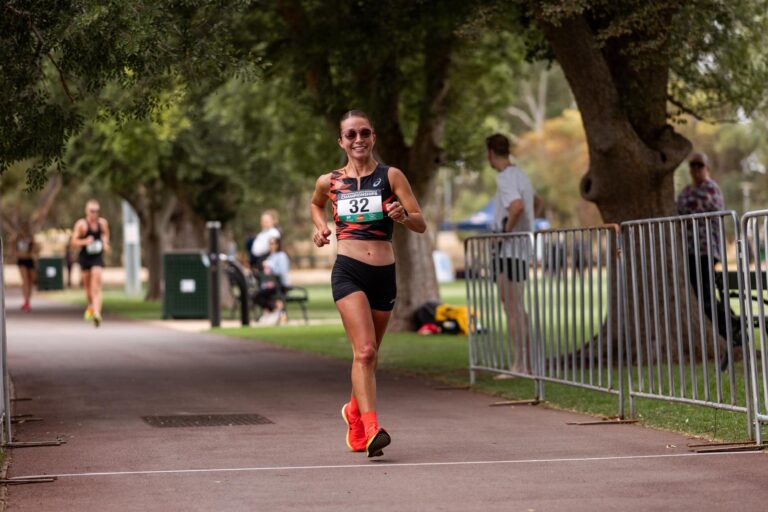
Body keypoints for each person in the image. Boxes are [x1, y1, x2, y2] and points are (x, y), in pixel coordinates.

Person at [310, 110, 426, 457]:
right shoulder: (328, 181)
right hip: (348, 270)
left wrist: (403, 217)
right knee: (364, 351)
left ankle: (353, 412)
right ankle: (373, 427)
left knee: (369, 356)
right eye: (351, 135)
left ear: (373, 137)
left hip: (383, 274)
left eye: (364, 133)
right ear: (341, 141)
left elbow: (420, 223)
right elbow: (315, 205)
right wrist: (320, 228)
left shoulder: (391, 176)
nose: (358, 139)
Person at [676, 152, 742, 370]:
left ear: (707, 167)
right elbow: (678, 208)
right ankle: (731, 324)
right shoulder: (687, 191)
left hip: (706, 250)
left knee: (705, 295)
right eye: (692, 165)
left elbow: (704, 207)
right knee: (700, 295)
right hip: (689, 250)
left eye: (699, 165)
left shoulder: (711, 188)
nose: (695, 169)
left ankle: (731, 326)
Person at [486, 133, 535, 374]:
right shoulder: (521, 175)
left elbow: (517, 206)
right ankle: (525, 361)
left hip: (510, 250)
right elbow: (538, 202)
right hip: (521, 248)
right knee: (516, 306)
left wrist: (504, 232)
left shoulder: (505, 177)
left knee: (512, 307)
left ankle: (520, 364)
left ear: (490, 154)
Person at [71, 199, 110, 327]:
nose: (94, 214)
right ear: (86, 211)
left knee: (96, 286)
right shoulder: (81, 225)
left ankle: (97, 314)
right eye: (92, 211)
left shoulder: (102, 223)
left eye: (97, 211)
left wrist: (105, 244)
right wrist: (85, 241)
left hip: (97, 258)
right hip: (85, 258)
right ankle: (91, 306)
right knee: (88, 289)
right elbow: (74, 242)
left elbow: (105, 236)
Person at [252, 237, 291, 325]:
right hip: (268, 285)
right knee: (256, 296)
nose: (272, 246)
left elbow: (282, 272)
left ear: (278, 244)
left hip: (279, 285)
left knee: (259, 296)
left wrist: (270, 265)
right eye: (270, 243)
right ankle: (274, 310)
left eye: (274, 243)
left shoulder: (281, 256)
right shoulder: (269, 256)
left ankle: (276, 310)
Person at [14, 222, 38, 312]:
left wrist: (33, 244)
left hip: (30, 260)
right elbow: (13, 249)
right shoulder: (17, 238)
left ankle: (28, 301)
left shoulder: (31, 238)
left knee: (31, 281)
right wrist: (17, 255)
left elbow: (35, 249)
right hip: (21, 261)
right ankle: (26, 301)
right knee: (25, 281)